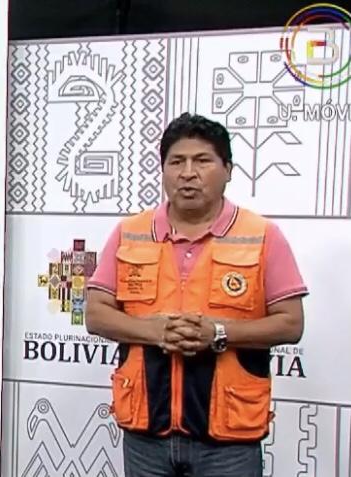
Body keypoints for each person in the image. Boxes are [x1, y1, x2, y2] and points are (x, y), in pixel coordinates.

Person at [84, 113, 308, 477]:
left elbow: (290, 323)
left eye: (202, 161)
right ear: (163, 171)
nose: (188, 173)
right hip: (145, 436)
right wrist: (154, 331)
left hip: (229, 441)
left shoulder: (263, 235)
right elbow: (96, 314)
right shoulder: (130, 232)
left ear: (228, 170)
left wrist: (217, 333)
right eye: (176, 162)